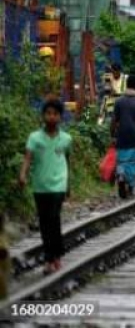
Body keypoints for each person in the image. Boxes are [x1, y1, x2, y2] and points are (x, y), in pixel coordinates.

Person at [19, 98, 73, 274]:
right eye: (48, 113)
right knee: (44, 223)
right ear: (43, 116)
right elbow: (28, 158)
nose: (51, 117)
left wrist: (68, 184)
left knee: (53, 219)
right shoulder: (34, 138)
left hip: (58, 185)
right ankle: (55, 255)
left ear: (60, 117)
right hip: (40, 186)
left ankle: (51, 259)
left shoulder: (66, 139)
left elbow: (67, 160)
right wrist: (22, 175)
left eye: (55, 114)